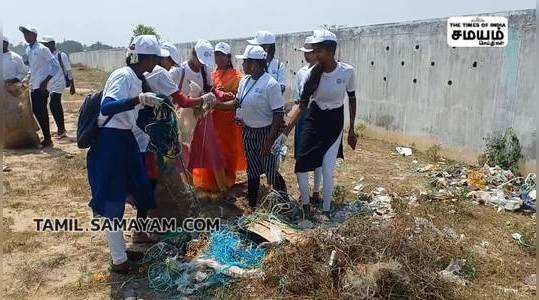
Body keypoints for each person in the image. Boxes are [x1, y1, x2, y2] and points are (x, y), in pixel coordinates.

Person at [87, 35, 163, 274]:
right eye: (154, 58)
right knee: (113, 200)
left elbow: (132, 117)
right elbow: (107, 107)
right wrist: (137, 99)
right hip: (111, 141)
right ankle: (119, 259)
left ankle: (122, 248)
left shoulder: (137, 78)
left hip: (124, 139)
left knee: (139, 187)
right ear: (145, 57)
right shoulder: (123, 76)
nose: (156, 63)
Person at [284, 29, 358, 220]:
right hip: (314, 118)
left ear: (330, 51)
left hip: (334, 121)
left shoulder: (347, 72)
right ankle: (306, 206)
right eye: (314, 50)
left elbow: (352, 98)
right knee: (301, 164)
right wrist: (285, 132)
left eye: (319, 51)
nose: (314, 54)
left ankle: (326, 210)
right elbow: (302, 105)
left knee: (327, 168)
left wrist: (352, 130)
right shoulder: (311, 74)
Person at [213, 45, 287, 213]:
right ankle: (252, 205)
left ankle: (284, 202)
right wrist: (216, 105)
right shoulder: (245, 81)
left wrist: (269, 141)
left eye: (245, 62)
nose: (243, 65)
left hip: (266, 132)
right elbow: (236, 103)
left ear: (255, 64)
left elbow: (278, 113)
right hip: (249, 132)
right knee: (252, 169)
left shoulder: (270, 84)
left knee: (270, 170)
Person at [191, 42, 247, 193]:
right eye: (216, 54)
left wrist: (221, 100)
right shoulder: (211, 74)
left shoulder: (238, 77)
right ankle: (211, 183)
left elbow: (238, 99)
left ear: (229, 57)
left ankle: (227, 181)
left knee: (227, 150)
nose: (219, 58)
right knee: (212, 150)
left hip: (228, 121)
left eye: (222, 55)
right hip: (211, 119)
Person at [292, 38, 323, 206]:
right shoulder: (301, 72)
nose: (307, 55)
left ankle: (316, 191)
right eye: (305, 52)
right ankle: (304, 195)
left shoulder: (323, 71)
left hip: (317, 115)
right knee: (301, 153)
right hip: (303, 115)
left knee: (318, 156)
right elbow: (299, 97)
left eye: (310, 52)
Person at [19, 25, 60, 148]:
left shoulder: (42, 49)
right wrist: (27, 78)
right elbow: (32, 68)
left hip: (42, 87)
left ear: (34, 36)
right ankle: (46, 137)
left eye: (28, 34)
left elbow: (55, 66)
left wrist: (45, 81)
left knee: (41, 111)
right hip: (33, 85)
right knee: (37, 111)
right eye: (24, 34)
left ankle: (48, 139)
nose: (26, 36)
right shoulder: (28, 49)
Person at [175, 39, 214, 146]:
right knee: (185, 144)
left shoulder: (205, 71)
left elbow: (209, 90)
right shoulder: (181, 70)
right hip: (183, 118)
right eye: (200, 60)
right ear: (193, 54)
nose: (202, 64)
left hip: (199, 117)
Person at [41, 36, 76, 139]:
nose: (44, 46)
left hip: (59, 83)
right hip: (50, 84)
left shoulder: (61, 55)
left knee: (53, 103)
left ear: (52, 44)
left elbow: (68, 70)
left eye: (45, 44)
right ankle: (61, 129)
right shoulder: (46, 56)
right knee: (54, 105)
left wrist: (72, 85)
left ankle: (61, 129)